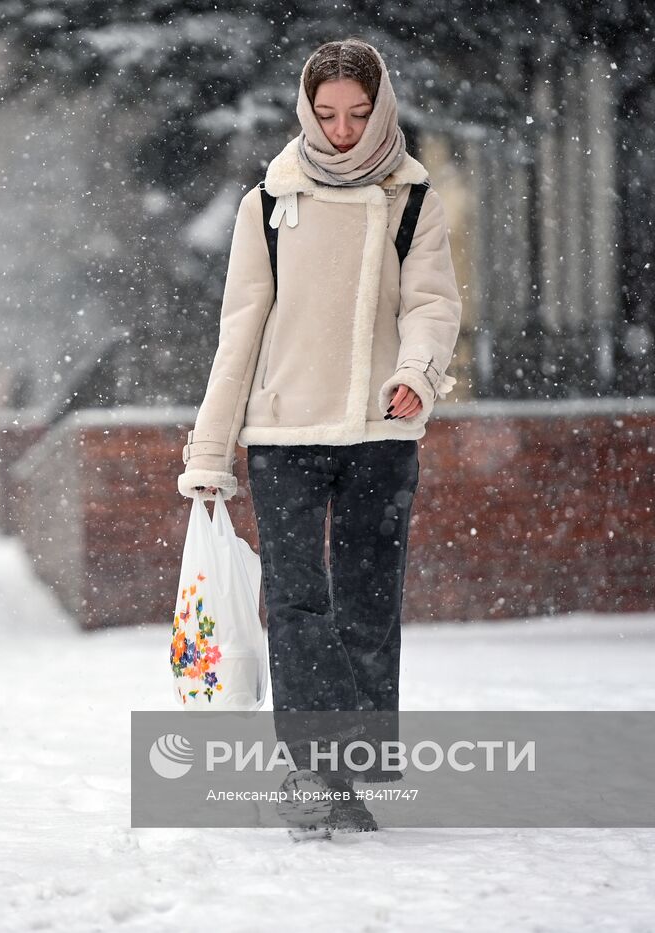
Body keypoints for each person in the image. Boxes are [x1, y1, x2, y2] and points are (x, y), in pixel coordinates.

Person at [176, 38, 462, 834]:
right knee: (299, 604)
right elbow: (240, 331)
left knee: (370, 606)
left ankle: (356, 775)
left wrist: (417, 373)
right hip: (284, 431)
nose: (341, 130)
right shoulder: (267, 203)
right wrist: (210, 451)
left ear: (382, 110)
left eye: (358, 114)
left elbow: (432, 307)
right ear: (305, 110)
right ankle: (311, 771)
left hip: (382, 429)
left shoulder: (414, 199)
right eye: (326, 114)